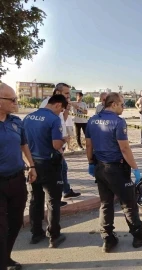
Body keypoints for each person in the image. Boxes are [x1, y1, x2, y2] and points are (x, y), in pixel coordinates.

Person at [85, 93, 142, 253]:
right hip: (115, 169)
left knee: (106, 203)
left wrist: (90, 163)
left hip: (99, 167)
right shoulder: (118, 122)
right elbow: (124, 148)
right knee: (129, 203)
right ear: (114, 104)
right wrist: (136, 168)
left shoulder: (92, 120)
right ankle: (139, 236)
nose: (124, 108)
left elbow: (88, 145)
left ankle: (108, 239)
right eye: (122, 105)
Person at [23, 94, 69, 249]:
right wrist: (65, 139)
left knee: (35, 199)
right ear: (57, 105)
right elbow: (56, 145)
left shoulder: (28, 117)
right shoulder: (53, 119)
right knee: (53, 201)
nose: (61, 113)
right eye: (61, 110)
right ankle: (54, 236)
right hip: (48, 164)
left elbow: (22, 142)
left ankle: (36, 234)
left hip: (31, 164)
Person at [0, 83, 37, 270]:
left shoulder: (16, 122)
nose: (16, 102)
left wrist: (31, 165)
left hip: (16, 180)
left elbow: (24, 145)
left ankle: (6, 257)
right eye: (12, 99)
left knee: (15, 222)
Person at [40, 84, 81, 202]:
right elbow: (45, 123)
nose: (69, 96)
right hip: (52, 142)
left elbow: (63, 118)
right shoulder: (47, 102)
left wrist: (67, 107)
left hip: (59, 138)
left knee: (61, 168)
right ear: (58, 92)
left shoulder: (61, 104)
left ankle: (63, 192)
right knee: (59, 168)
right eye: (66, 93)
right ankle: (56, 197)